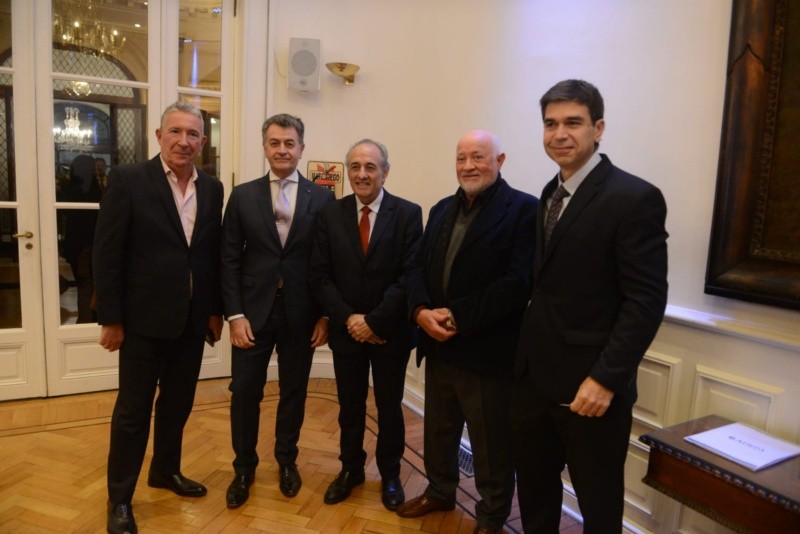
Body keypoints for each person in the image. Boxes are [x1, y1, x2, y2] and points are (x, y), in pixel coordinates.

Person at [512, 79, 669, 532]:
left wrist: (605, 379)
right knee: (537, 495)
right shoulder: (548, 193)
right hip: (533, 381)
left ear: (598, 128)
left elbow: (645, 299)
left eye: (573, 123)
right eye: (550, 124)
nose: (559, 133)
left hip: (591, 390)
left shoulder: (634, 197)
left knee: (598, 505)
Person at [396, 130, 538, 534]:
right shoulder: (441, 208)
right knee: (439, 432)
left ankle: (492, 517)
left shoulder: (524, 210)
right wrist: (421, 311)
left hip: (486, 353)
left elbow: (517, 282)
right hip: (437, 347)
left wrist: (455, 317)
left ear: (500, 160)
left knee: (491, 445)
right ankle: (440, 491)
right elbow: (416, 267)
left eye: (478, 157)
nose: (468, 166)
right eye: (461, 158)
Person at [93, 101, 224, 534]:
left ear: (203, 142)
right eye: (176, 132)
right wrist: (110, 318)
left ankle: (165, 471)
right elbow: (107, 254)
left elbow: (209, 255)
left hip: (190, 322)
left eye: (192, 134)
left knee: (177, 405)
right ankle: (120, 498)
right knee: (133, 412)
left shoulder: (213, 188)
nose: (184, 141)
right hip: (142, 323)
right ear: (159, 136)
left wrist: (214, 310)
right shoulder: (128, 180)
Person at [220, 113, 334, 509]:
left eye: (290, 143)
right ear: (265, 147)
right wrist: (234, 315)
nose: (282, 149)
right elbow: (229, 259)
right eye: (274, 142)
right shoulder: (242, 195)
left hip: (302, 314)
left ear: (302, 148)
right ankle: (243, 468)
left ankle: (287, 461)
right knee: (244, 392)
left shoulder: (322, 197)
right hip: (252, 313)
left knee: (294, 392)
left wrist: (325, 316)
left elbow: (327, 262)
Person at [309, 139, 422, 511]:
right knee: (349, 406)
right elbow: (320, 276)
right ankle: (351, 469)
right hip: (347, 331)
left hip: (389, 332)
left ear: (385, 172)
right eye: (355, 166)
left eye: (370, 167)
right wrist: (349, 319)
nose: (361, 174)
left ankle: (390, 474)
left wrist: (373, 321)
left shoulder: (408, 213)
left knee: (390, 407)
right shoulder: (330, 214)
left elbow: (409, 276)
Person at [61, 154, 102, 323]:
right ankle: (87, 320)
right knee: (88, 285)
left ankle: (86, 319)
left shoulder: (71, 190)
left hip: (76, 244)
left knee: (84, 284)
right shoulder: (92, 190)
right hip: (89, 244)